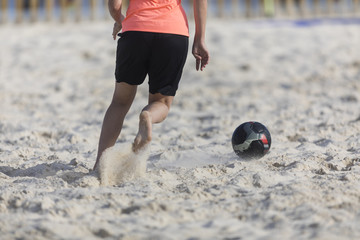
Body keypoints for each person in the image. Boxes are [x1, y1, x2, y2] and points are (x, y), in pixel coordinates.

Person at [93, 0, 210, 170]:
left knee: (120, 102)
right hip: (173, 33)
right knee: (161, 102)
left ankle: (99, 165)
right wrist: (200, 38)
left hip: (135, 31)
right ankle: (148, 116)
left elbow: (114, 4)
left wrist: (119, 20)